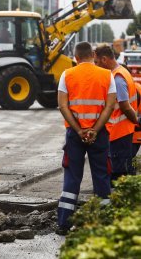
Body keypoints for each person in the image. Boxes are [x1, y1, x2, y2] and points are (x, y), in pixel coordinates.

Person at [57, 42, 116, 235]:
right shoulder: (107, 75)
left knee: (73, 176)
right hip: (99, 135)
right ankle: (105, 223)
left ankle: (64, 223)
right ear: (93, 54)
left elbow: (63, 106)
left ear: (75, 57)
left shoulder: (67, 74)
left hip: (75, 135)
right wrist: (95, 130)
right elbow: (109, 107)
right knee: (101, 175)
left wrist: (80, 130)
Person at [94, 45, 138, 179]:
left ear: (104, 59)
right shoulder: (121, 72)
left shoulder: (117, 78)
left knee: (118, 175)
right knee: (123, 172)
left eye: (96, 62)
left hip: (119, 134)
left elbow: (125, 106)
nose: (95, 66)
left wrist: (136, 120)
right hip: (123, 132)